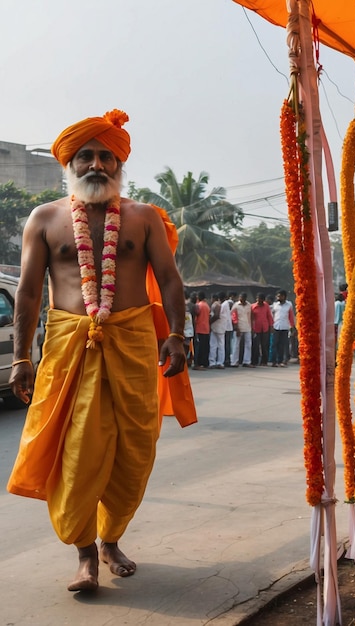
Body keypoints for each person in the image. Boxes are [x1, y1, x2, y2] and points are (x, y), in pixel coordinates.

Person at [7, 109, 196, 593]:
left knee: (134, 453)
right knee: (76, 455)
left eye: (106, 156)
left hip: (132, 342)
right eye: (86, 156)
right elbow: (29, 292)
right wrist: (22, 356)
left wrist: (177, 333)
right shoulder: (44, 218)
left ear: (118, 164)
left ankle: (112, 539)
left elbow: (171, 279)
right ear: (70, 164)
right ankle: (85, 553)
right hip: (71, 344)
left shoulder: (143, 218)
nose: (96, 164)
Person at [271, 290, 295, 367]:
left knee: (282, 345)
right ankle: (273, 361)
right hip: (276, 326)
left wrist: (292, 326)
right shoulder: (275, 305)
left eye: (279, 296)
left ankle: (280, 361)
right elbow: (272, 315)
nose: (278, 297)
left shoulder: (289, 305)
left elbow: (291, 317)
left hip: (284, 327)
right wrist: (271, 325)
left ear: (284, 296)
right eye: (277, 296)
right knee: (274, 344)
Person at [230, 292, 254, 367]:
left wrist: (252, 327)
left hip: (247, 327)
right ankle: (234, 362)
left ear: (245, 298)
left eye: (242, 298)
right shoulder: (236, 306)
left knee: (248, 345)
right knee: (236, 345)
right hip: (238, 328)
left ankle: (246, 361)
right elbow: (233, 317)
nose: (241, 299)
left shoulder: (249, 305)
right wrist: (236, 328)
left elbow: (251, 316)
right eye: (240, 297)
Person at [251, 293, 273, 366]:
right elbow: (251, 318)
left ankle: (264, 361)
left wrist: (271, 326)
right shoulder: (253, 306)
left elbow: (269, 316)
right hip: (256, 328)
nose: (258, 300)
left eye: (260, 299)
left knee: (264, 345)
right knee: (256, 345)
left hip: (265, 328)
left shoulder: (266, 306)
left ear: (263, 300)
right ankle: (255, 361)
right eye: (257, 298)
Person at [209, 292, 227, 368]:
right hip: (221, 327)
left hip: (216, 327)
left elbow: (216, 316)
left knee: (213, 345)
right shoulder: (220, 305)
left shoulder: (216, 305)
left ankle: (212, 362)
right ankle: (220, 362)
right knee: (221, 345)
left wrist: (209, 322)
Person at [193, 291, 210, 370]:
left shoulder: (199, 305)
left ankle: (198, 363)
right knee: (205, 347)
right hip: (206, 328)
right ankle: (205, 363)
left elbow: (196, 315)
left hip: (199, 328)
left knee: (199, 348)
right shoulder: (207, 305)